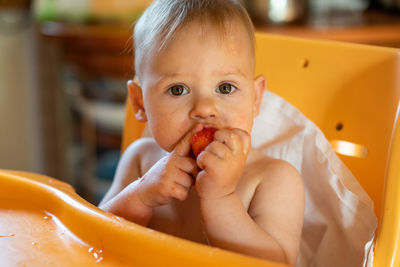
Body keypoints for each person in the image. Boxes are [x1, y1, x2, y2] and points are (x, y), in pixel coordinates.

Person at [99, 0, 305, 265]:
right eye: (177, 89)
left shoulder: (273, 178)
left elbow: (278, 262)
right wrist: (139, 196)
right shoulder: (140, 161)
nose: (205, 109)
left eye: (226, 87)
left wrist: (221, 198)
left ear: (255, 99)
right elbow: (93, 236)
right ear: (140, 103)